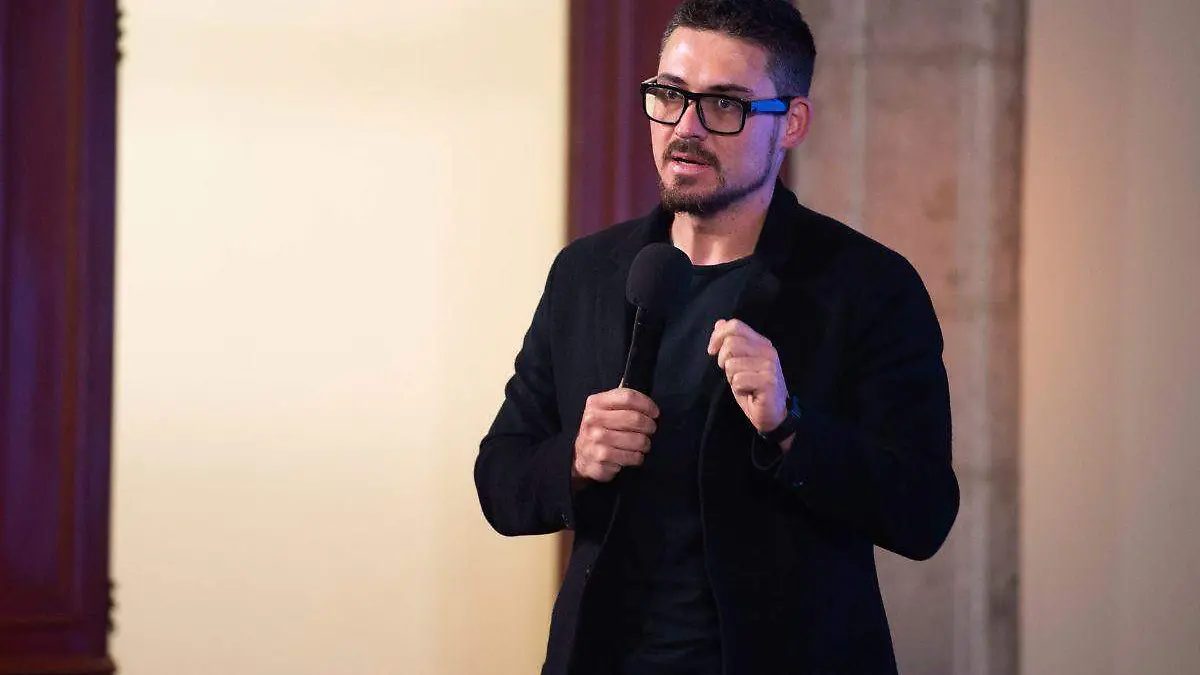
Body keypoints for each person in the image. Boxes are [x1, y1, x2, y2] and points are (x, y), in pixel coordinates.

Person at [474, 1, 959, 673]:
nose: (686, 127)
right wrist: (575, 458)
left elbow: (923, 513)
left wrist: (790, 428)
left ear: (791, 123)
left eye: (725, 105)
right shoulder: (586, 273)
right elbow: (500, 479)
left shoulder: (867, 285)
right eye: (670, 95)